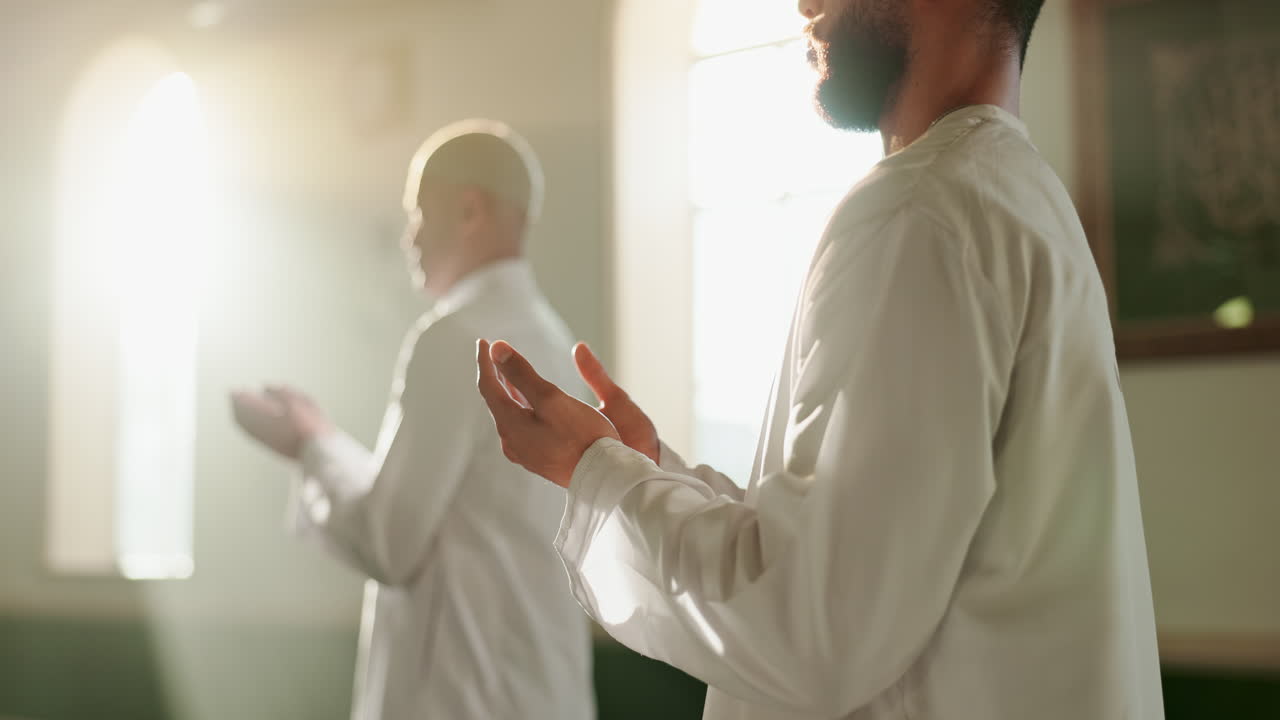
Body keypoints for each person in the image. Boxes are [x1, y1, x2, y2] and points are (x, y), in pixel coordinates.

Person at [474, 1, 1164, 719]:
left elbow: (817, 627)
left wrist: (595, 471)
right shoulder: (1020, 198)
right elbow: (865, 552)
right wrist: (655, 474)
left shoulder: (920, 211)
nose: (804, 2)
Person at [230, 119, 594, 720]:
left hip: (460, 698)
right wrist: (322, 441)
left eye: (418, 213)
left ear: (470, 210)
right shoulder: (557, 345)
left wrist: (310, 446)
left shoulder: (455, 340)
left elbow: (390, 544)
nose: (410, 237)